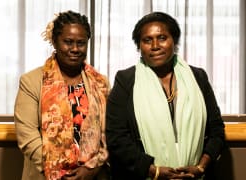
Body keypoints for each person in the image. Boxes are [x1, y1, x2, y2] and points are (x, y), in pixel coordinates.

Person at [106, 11, 225, 180]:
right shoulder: (126, 81)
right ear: (139, 47)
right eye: (147, 40)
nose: (155, 45)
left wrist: (201, 167)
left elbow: (216, 130)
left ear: (174, 42)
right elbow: (116, 137)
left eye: (162, 38)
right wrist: (152, 171)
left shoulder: (198, 77)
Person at [14, 10, 110, 180]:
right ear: (55, 42)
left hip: (92, 175)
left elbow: (109, 132)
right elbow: (27, 135)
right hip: (46, 175)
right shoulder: (31, 81)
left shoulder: (101, 83)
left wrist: (92, 168)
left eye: (81, 43)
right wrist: (57, 170)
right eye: (68, 42)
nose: (74, 49)